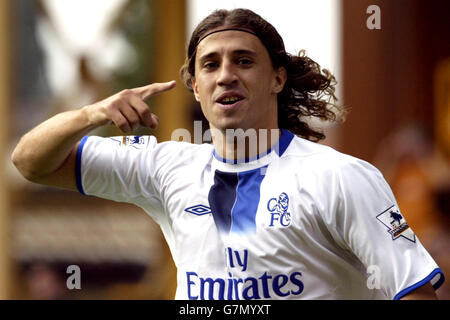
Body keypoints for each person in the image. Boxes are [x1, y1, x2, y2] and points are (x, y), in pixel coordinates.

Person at [12, 8, 444, 300]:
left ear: (277, 78)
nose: (226, 76)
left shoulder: (341, 177)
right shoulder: (166, 168)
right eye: (211, 64)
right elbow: (30, 160)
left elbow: (416, 290)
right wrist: (91, 113)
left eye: (243, 61)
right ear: (196, 87)